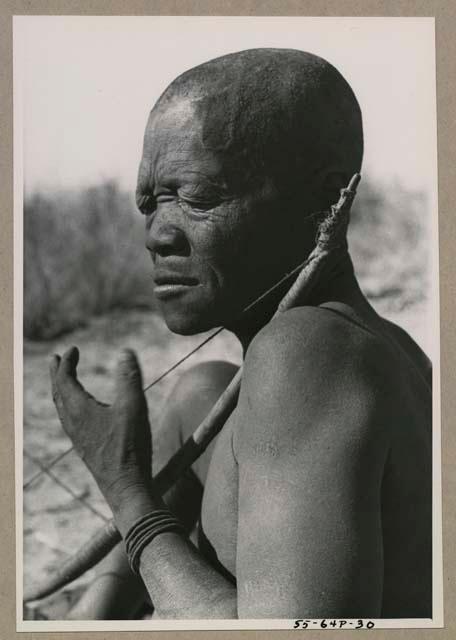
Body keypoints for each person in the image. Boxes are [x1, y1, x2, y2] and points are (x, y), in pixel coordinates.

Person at [50, 48, 432, 620]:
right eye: (149, 203)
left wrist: (128, 494)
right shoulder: (376, 345)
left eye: (198, 198)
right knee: (200, 388)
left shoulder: (310, 351)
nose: (157, 235)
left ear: (326, 202)